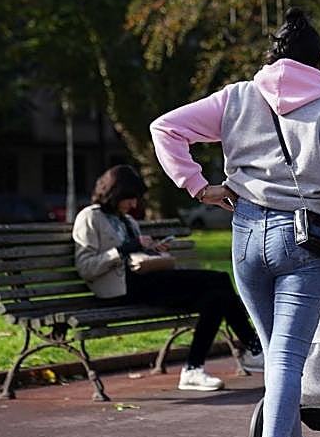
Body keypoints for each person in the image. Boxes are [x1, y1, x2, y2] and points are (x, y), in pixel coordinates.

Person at [150, 7, 320, 437]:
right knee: (290, 358)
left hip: (246, 233)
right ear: (317, 62)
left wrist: (199, 186)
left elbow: (166, 128)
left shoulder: (236, 97)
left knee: (275, 354)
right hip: (305, 239)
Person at [72, 164, 265, 392]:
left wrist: (153, 249)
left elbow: (135, 257)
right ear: (116, 194)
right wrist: (126, 248)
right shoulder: (90, 217)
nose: (134, 205)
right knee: (218, 280)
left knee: (214, 296)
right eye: (130, 199)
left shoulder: (127, 221)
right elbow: (86, 267)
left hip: (143, 280)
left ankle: (194, 370)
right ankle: (253, 349)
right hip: (118, 289)